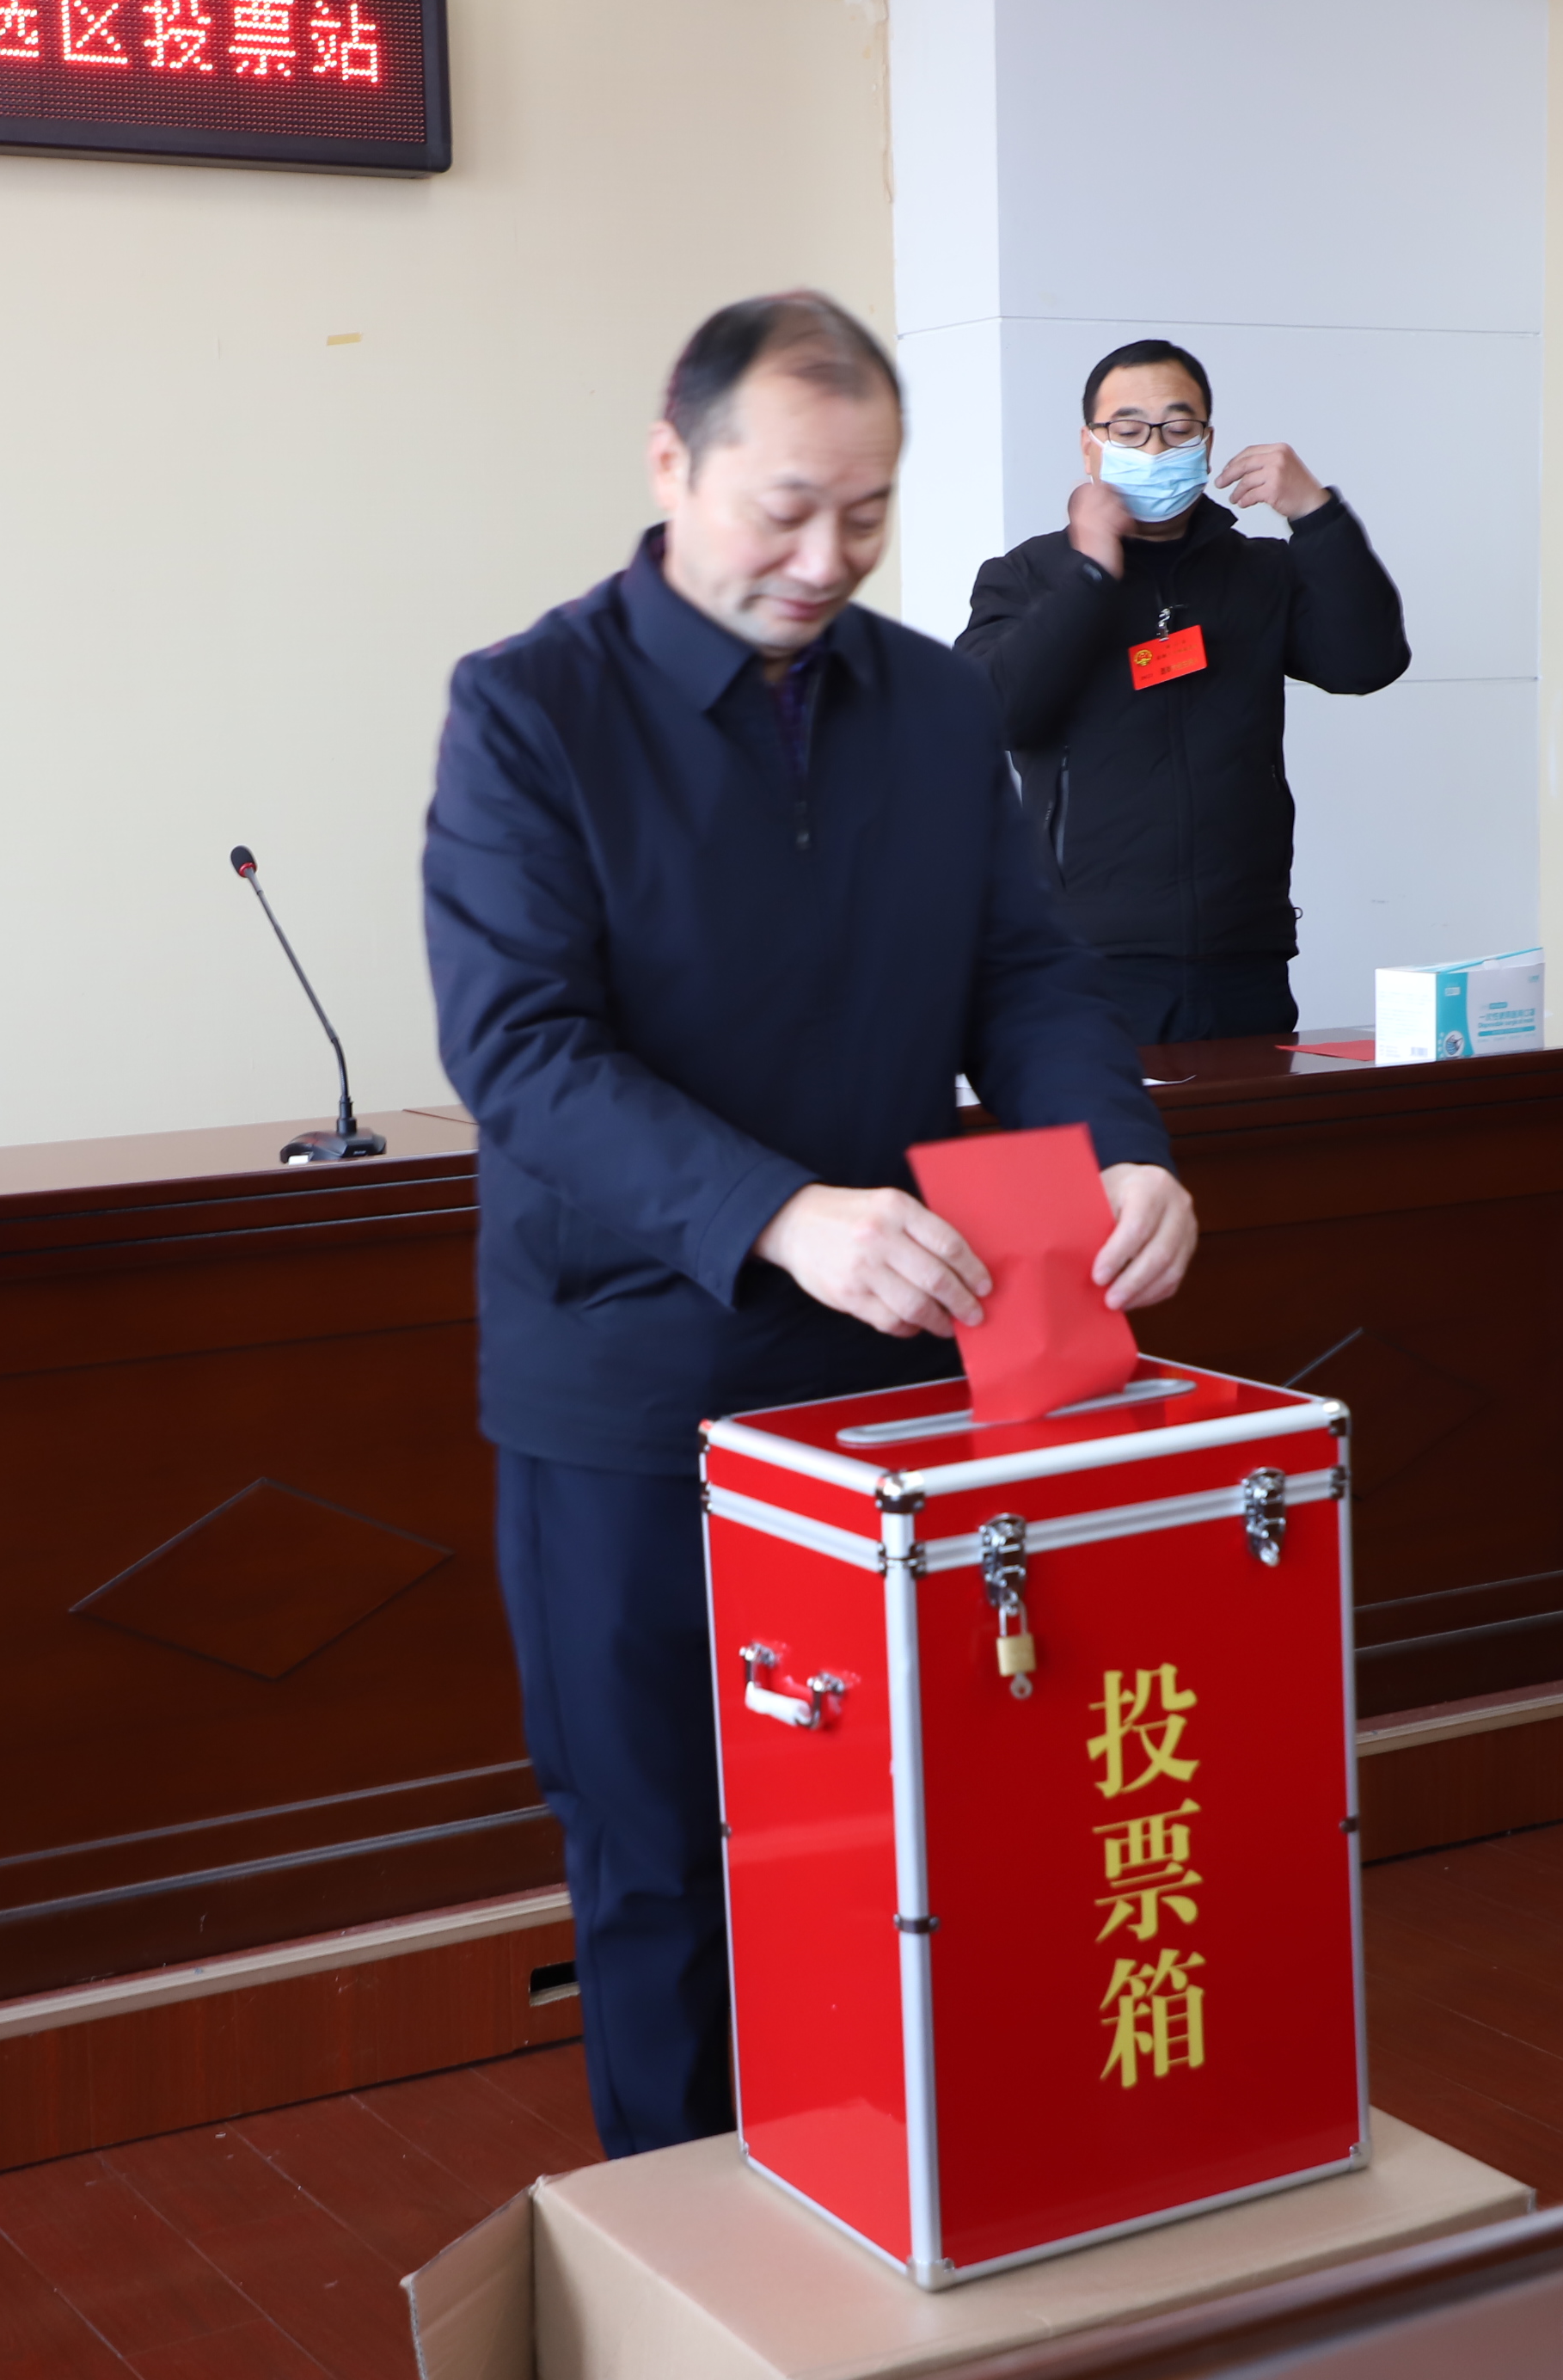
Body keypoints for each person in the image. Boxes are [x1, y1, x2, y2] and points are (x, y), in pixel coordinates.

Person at [422, 292, 1200, 2157]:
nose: (824, 557)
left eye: (865, 513)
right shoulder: (530, 710)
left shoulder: (929, 701)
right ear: (670, 464)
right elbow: (520, 1049)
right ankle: (689, 2267)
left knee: (902, 1828)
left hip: (889, 1356)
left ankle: (903, 2207)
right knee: (664, 1858)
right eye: (785, 508)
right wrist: (775, 1213)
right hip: (632, 1374)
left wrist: (1118, 1147)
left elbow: (1023, 971)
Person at [958, 339, 1413, 1046]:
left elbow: (1368, 662)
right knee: (1107, 1125)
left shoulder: (1260, 572)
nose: (1154, 447)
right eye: (1128, 429)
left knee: (1253, 1124)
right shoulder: (1027, 575)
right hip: (1084, 959)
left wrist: (1316, 515)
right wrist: (1090, 575)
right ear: (1089, 445)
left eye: (1177, 428)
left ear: (1207, 439)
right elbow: (991, 714)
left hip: (1243, 951)